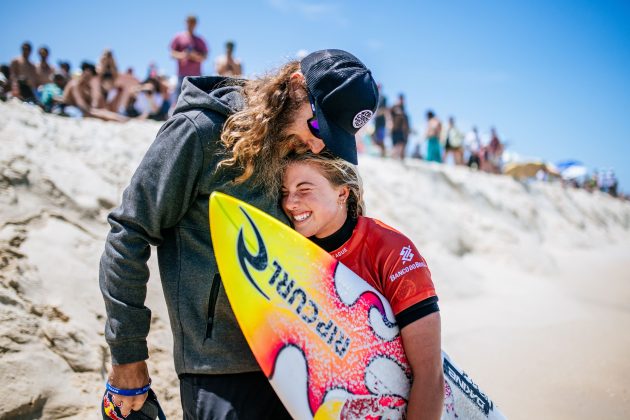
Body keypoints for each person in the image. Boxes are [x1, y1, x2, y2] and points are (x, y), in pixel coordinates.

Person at [99, 49, 379, 419]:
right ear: (296, 87)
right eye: (316, 126)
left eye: (329, 139)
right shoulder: (199, 131)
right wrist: (127, 353)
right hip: (218, 369)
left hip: (294, 369)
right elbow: (128, 233)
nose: (316, 145)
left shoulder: (294, 151)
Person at [280, 152, 443, 419]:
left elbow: (429, 372)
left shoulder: (391, 250)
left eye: (304, 189)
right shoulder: (290, 253)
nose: (290, 202)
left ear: (342, 193)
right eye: (285, 191)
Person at [170, 15, 208, 101]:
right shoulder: (178, 37)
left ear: (196, 24)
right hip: (182, 76)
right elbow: (172, 54)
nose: (191, 24)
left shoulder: (200, 40)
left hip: (197, 77)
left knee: (196, 101)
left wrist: (195, 56)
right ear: (185, 22)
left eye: (193, 22)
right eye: (189, 22)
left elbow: (205, 57)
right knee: (179, 101)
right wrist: (184, 55)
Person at [389, 93, 410, 160]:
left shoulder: (403, 108)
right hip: (395, 128)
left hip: (401, 129)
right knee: (397, 144)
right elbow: (390, 114)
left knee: (401, 144)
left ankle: (395, 157)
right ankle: (393, 157)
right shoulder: (395, 106)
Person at [371, 83, 388, 157]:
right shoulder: (374, 96)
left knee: (381, 139)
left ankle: (383, 153)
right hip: (375, 121)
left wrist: (376, 114)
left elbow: (384, 110)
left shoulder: (383, 98)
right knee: (372, 136)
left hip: (381, 122)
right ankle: (382, 152)